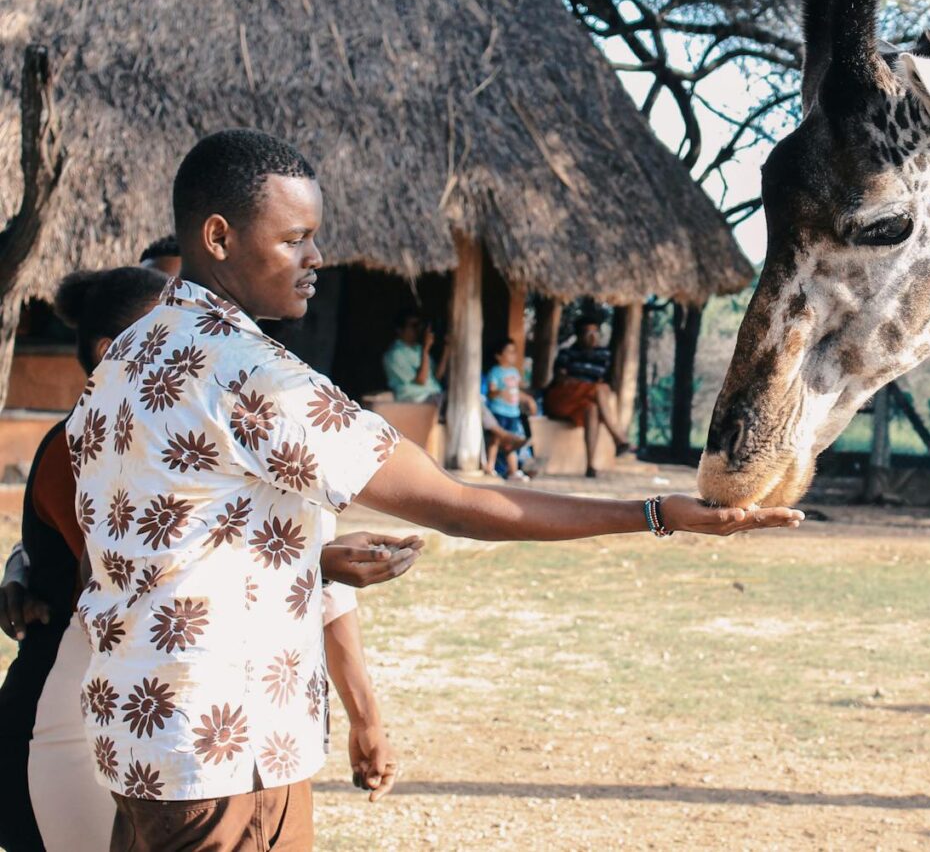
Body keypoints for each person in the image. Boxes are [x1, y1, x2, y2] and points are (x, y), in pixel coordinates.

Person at [64, 129, 800, 850]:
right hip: (226, 741)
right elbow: (457, 504)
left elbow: (170, 536)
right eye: (295, 238)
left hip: (144, 724)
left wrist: (308, 563)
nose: (317, 256)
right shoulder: (250, 374)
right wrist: (654, 513)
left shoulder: (129, 355)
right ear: (219, 237)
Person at [1, 266, 422, 850]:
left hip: (200, 731)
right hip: (78, 720)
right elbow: (142, 573)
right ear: (114, 350)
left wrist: (366, 716)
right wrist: (315, 561)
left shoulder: (224, 425)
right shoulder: (91, 442)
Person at [544, 314, 632, 478]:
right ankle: (618, 438)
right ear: (578, 335)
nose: (592, 336)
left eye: (595, 332)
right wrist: (585, 385)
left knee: (592, 409)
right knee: (599, 389)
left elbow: (602, 380)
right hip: (562, 399)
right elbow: (561, 380)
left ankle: (590, 465)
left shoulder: (603, 355)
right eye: (587, 333)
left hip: (583, 402)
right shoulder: (567, 353)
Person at [484, 340, 535, 480]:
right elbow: (491, 392)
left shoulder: (514, 372)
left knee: (511, 443)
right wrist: (500, 392)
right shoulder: (495, 372)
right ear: (499, 356)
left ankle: (513, 471)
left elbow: (517, 391)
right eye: (510, 351)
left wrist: (528, 400)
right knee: (496, 439)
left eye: (515, 351)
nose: (514, 354)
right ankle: (490, 466)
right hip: (499, 411)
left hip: (513, 413)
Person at [383, 309, 446, 404]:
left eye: (419, 325)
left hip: (434, 395)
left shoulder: (418, 349)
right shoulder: (394, 354)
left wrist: (447, 347)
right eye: (414, 326)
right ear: (399, 330)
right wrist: (425, 350)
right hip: (418, 399)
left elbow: (437, 376)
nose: (418, 329)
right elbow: (421, 380)